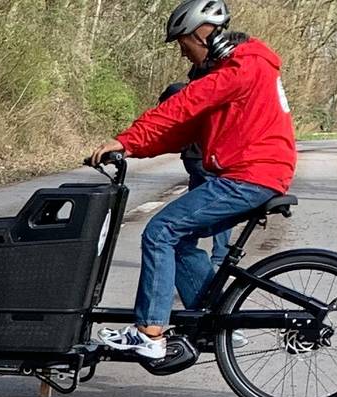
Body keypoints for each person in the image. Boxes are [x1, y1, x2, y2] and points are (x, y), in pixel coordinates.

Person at [88, 0, 296, 361]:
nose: (185, 55)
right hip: (252, 174)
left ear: (203, 34)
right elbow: (183, 129)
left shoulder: (244, 66)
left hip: (249, 176)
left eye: (184, 44)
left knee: (160, 231)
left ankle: (149, 333)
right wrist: (131, 148)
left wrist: (127, 138)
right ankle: (214, 322)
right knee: (180, 239)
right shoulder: (237, 68)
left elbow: (184, 104)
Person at [157, 77, 231, 267]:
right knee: (218, 209)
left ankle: (187, 248)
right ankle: (219, 257)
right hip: (203, 158)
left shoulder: (178, 92)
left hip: (191, 158)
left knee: (195, 204)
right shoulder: (199, 95)